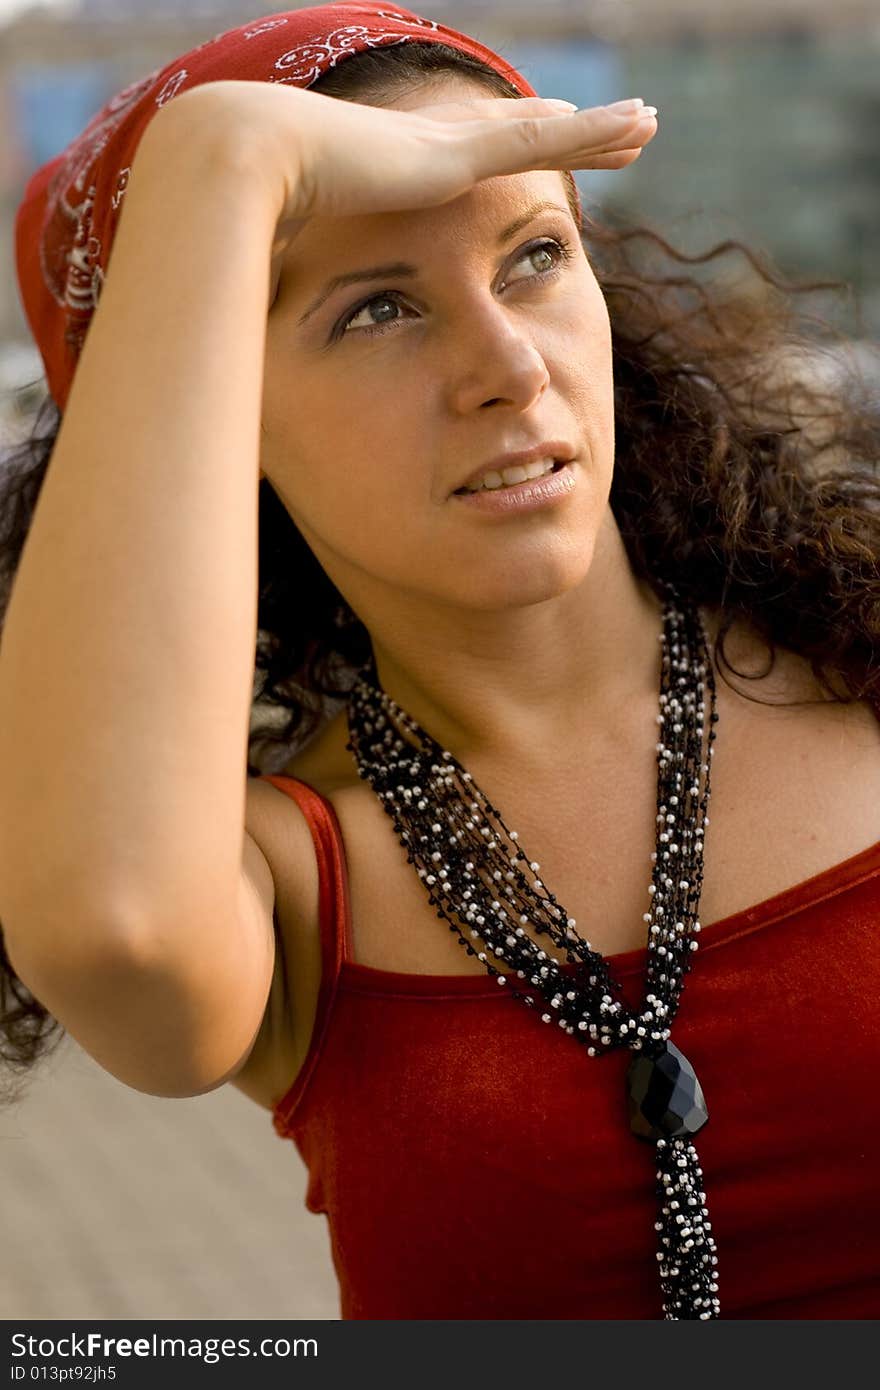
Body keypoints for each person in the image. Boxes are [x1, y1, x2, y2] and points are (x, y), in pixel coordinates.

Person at [1, 3, 879, 1321]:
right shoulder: (289, 873)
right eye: (375, 311)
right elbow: (114, 929)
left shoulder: (858, 660)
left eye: (532, 255)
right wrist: (219, 159)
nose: (507, 367)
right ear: (210, 423)